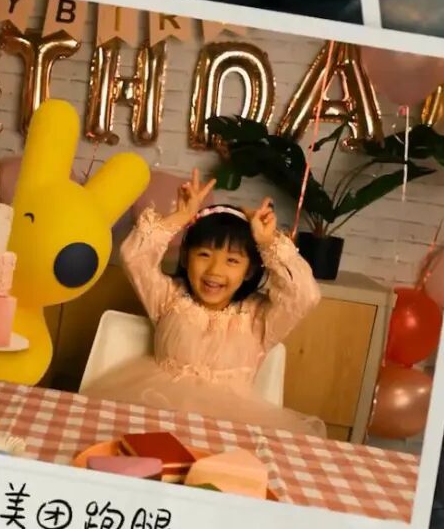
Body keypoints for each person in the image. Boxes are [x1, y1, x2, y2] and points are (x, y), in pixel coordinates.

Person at [81, 169, 327, 437]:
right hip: (157, 414)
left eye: (232, 260)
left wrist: (269, 243)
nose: (214, 270)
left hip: (228, 429)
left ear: (249, 270)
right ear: (186, 258)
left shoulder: (260, 319)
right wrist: (180, 217)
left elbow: (305, 295)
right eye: (204, 255)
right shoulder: (168, 297)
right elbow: (133, 256)